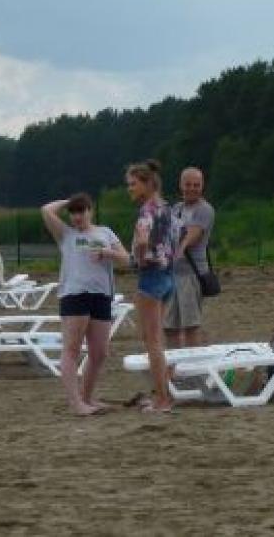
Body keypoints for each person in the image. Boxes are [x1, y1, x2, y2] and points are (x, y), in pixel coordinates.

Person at [42, 194, 130, 415]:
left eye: (81, 211)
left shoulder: (105, 232)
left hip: (101, 294)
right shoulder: (66, 234)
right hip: (74, 294)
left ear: (90, 211)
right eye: (74, 212)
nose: (77, 216)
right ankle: (75, 403)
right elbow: (46, 210)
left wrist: (107, 253)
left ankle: (87, 397)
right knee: (72, 348)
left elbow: (126, 259)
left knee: (100, 352)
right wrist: (68, 201)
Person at [127, 159, 177, 413]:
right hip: (168, 275)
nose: (130, 189)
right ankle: (163, 393)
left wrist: (137, 256)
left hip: (151, 277)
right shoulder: (166, 208)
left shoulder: (146, 210)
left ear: (146, 183)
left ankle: (162, 400)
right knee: (157, 340)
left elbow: (143, 239)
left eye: (133, 184)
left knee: (152, 342)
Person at [167, 167, 215, 349]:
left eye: (197, 185)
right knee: (169, 326)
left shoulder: (205, 210)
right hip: (172, 274)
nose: (192, 188)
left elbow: (194, 235)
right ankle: (174, 368)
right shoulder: (176, 209)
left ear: (202, 186)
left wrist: (180, 247)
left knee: (190, 325)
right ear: (181, 185)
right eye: (188, 184)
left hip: (191, 274)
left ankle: (193, 372)